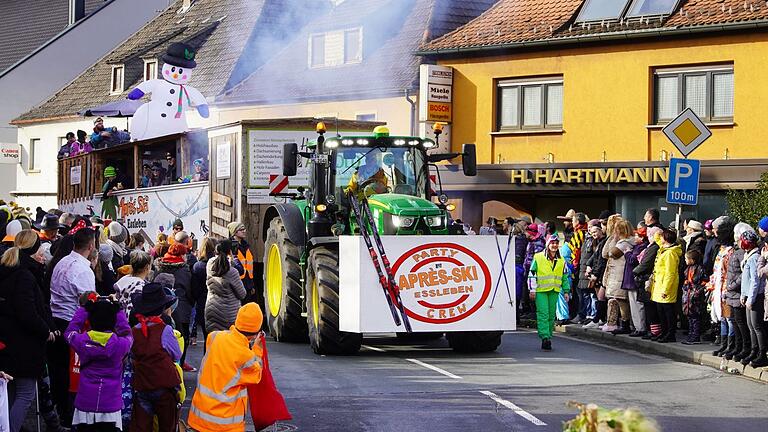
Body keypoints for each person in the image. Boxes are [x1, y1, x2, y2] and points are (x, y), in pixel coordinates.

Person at [0, 230, 54, 432]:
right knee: (25, 393)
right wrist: (45, 330)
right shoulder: (25, 275)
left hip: (6, 341)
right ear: (33, 250)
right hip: (23, 344)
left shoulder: (7, 269)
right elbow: (27, 313)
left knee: (11, 391)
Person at [188, 303, 264, 431]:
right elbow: (256, 375)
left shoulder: (215, 336)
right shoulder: (245, 356)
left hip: (199, 418)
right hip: (224, 425)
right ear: (255, 333)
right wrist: (257, 348)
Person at [49, 227, 96, 424]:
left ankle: (62, 411)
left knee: (58, 371)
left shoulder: (62, 261)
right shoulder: (83, 270)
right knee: (71, 373)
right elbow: (89, 302)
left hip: (56, 320)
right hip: (71, 323)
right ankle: (69, 415)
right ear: (92, 246)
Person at [65, 296, 131, 432]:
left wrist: (84, 310)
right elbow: (127, 333)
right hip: (110, 404)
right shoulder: (121, 345)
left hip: (85, 401)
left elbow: (70, 331)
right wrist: (118, 311)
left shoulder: (81, 341)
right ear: (113, 322)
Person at [129, 283, 182, 432]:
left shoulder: (134, 331)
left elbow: (132, 355)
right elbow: (176, 354)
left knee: (142, 425)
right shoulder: (165, 329)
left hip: (142, 383)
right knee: (167, 425)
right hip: (164, 384)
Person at [154, 242, 195, 372]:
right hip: (182, 307)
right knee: (182, 338)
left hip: (161, 307)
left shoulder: (160, 267)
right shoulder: (184, 270)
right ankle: (179, 367)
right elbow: (189, 290)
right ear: (182, 255)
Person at [528, 235, 570, 350]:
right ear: (548, 244)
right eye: (552, 243)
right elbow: (532, 274)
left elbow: (565, 276)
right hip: (541, 290)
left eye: (557, 243)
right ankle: (545, 337)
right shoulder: (538, 257)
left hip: (554, 290)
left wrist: (566, 291)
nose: (555, 245)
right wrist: (532, 289)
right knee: (543, 314)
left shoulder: (561, 260)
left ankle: (549, 336)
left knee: (551, 315)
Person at [205, 239, 247, 333]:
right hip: (228, 313)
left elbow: (220, 263)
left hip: (211, 309)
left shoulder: (209, 265)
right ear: (230, 251)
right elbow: (242, 294)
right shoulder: (232, 272)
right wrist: (234, 259)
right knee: (228, 343)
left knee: (212, 341)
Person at [724, 222, 753, 361]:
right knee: (735, 322)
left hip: (737, 292)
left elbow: (745, 273)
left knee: (741, 323)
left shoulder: (743, 253)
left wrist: (732, 285)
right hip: (733, 292)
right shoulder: (737, 251)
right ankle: (737, 346)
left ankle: (744, 347)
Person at [738, 230, 766, 366]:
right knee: (750, 325)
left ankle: (762, 353)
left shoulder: (754, 257)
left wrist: (750, 299)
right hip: (748, 294)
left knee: (757, 326)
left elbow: (755, 280)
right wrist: (743, 295)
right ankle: (753, 351)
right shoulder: (748, 255)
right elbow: (745, 279)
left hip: (755, 296)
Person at [602, 218, 634, 333]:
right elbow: (605, 254)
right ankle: (624, 323)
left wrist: (612, 239)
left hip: (619, 276)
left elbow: (609, 253)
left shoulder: (624, 243)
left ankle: (625, 324)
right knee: (620, 300)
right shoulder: (629, 241)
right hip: (618, 275)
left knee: (622, 301)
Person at [650, 229, 683, 343]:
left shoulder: (670, 253)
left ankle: (670, 333)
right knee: (661, 311)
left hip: (665, 286)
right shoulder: (665, 249)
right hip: (659, 284)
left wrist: (666, 289)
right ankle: (664, 332)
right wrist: (657, 233)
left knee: (668, 312)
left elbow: (670, 273)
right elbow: (658, 240)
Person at [710, 216, 736, 356]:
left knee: (728, 318)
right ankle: (723, 344)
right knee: (722, 318)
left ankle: (730, 346)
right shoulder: (721, 249)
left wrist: (725, 289)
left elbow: (729, 273)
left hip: (725, 290)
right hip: (718, 288)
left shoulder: (730, 252)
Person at [623, 223, 648, 337]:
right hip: (631, 280)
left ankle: (640, 327)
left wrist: (627, 252)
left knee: (637, 305)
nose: (635, 238)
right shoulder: (638, 247)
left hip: (634, 280)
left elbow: (633, 260)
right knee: (634, 305)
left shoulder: (641, 247)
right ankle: (637, 326)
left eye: (637, 236)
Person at [191, 237, 216, 347]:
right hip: (217, 303)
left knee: (207, 338)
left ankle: (207, 361)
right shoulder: (219, 265)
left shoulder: (198, 266)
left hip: (203, 303)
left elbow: (195, 289)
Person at [229, 221, 260, 307]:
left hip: (247, 284)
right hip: (237, 284)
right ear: (234, 232)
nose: (244, 231)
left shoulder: (245, 246)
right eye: (241, 229)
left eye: (244, 229)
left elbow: (249, 267)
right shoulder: (231, 247)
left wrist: (251, 286)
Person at [681, 250, 709, 345]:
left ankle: (695, 335)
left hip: (696, 296)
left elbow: (704, 281)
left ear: (692, 260)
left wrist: (698, 291)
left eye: (686, 259)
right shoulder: (688, 269)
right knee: (689, 316)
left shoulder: (700, 268)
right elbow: (686, 280)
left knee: (695, 317)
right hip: (688, 295)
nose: (685, 260)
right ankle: (691, 334)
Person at [114, 251, 152, 316]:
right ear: (147, 267)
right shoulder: (139, 286)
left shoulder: (124, 279)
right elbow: (131, 311)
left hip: (119, 319)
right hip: (128, 323)